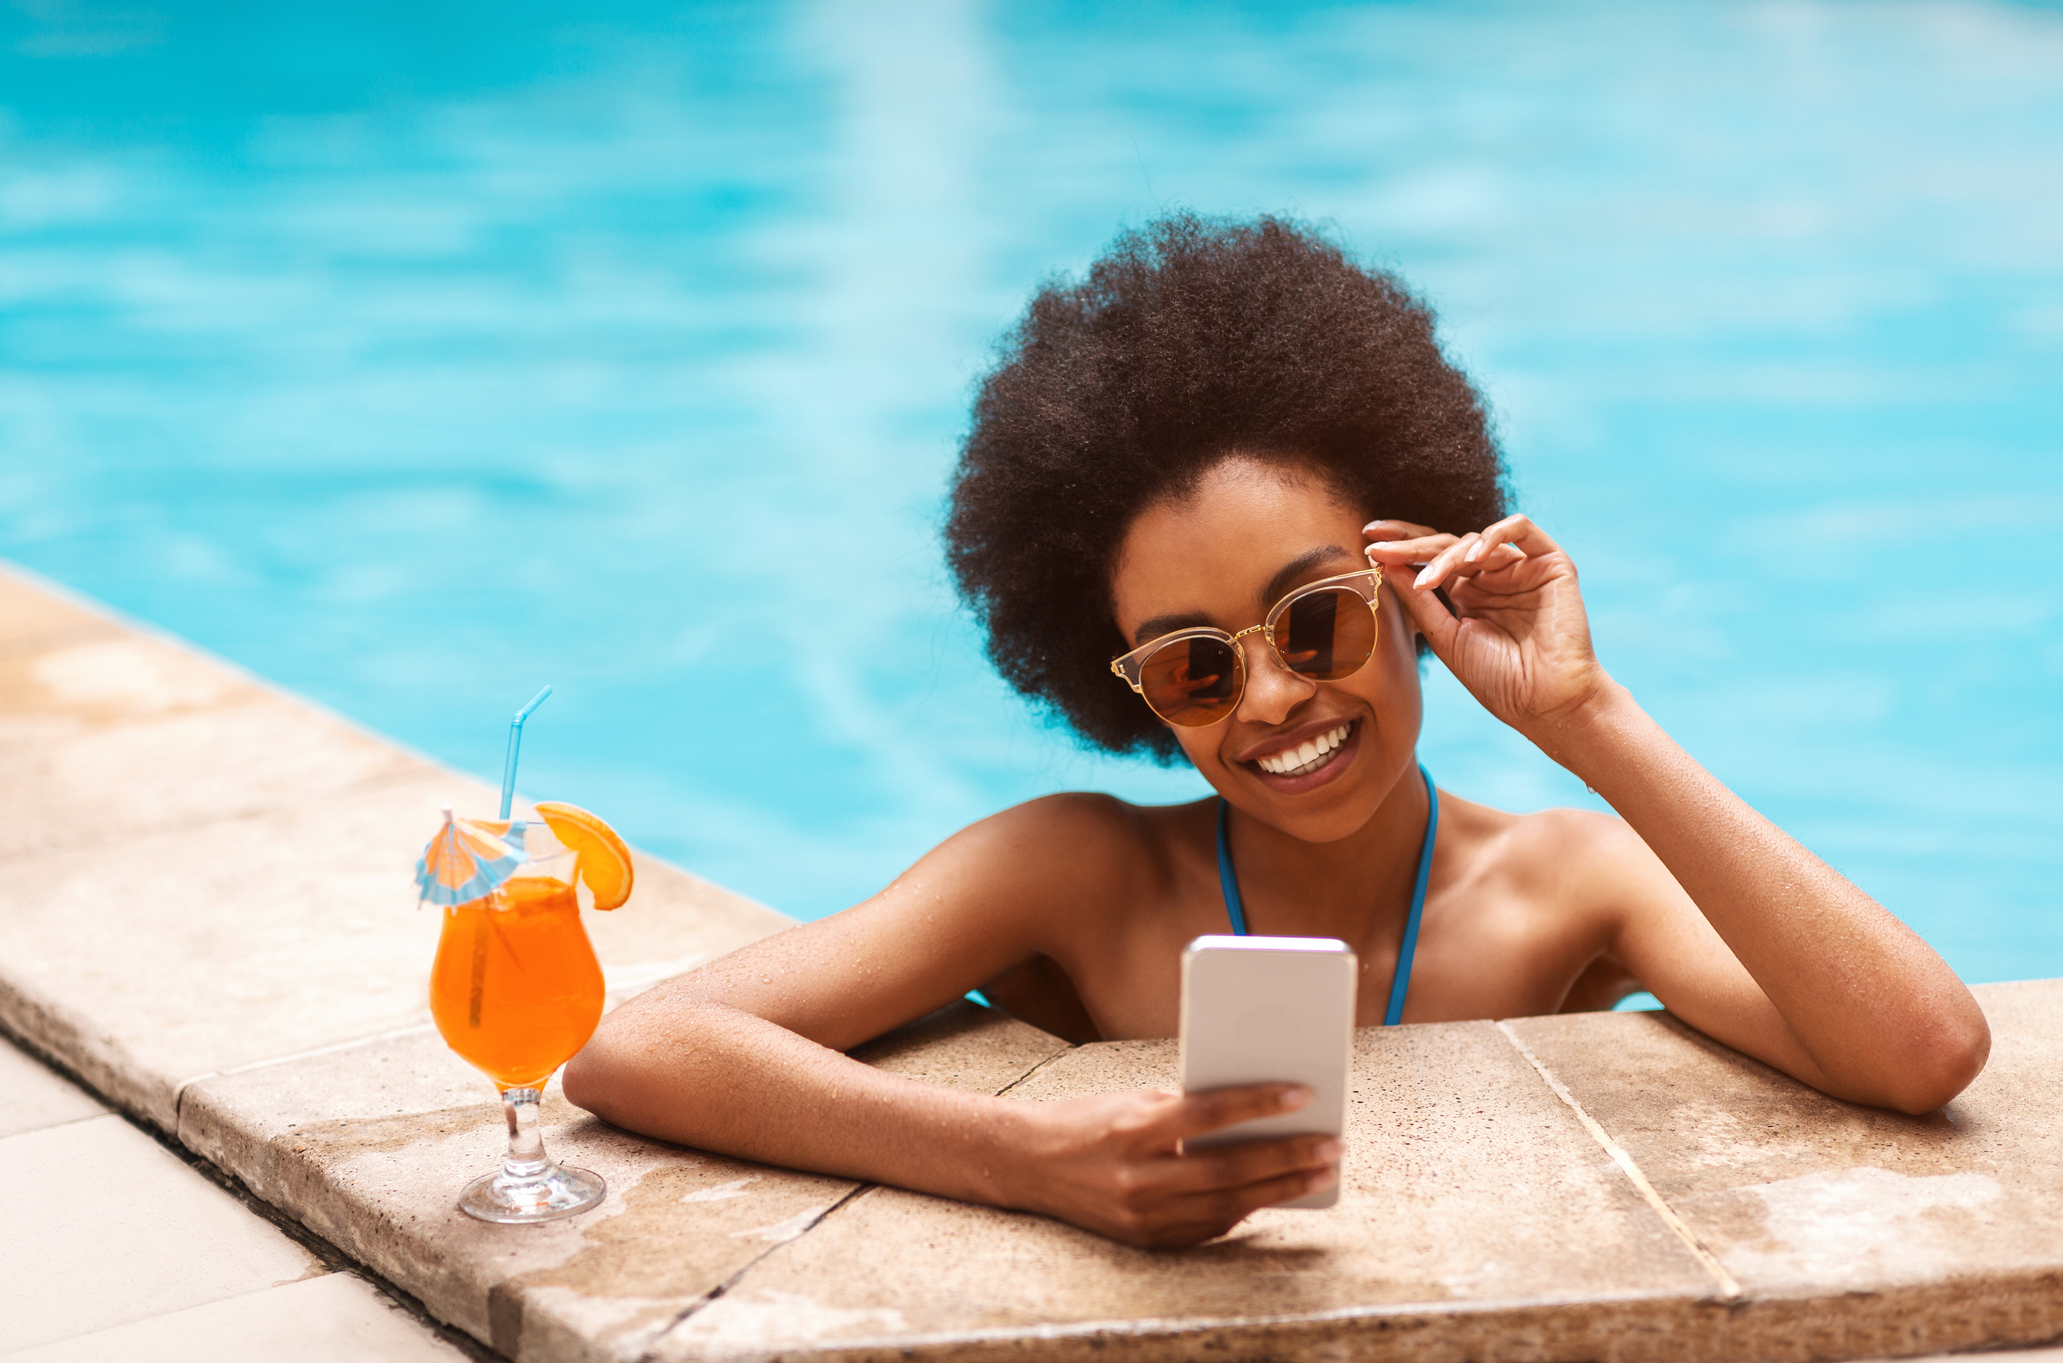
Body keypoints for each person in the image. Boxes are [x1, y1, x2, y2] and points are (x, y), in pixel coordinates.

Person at [562, 213, 1990, 1249]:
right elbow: (641, 1049)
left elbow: (1921, 1052)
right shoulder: (1076, 875)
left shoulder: (1571, 887)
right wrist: (1021, 1155)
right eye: (1191, 669)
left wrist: (1586, 715)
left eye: (1318, 625)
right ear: (1115, 679)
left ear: (1417, 588)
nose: (1270, 703)